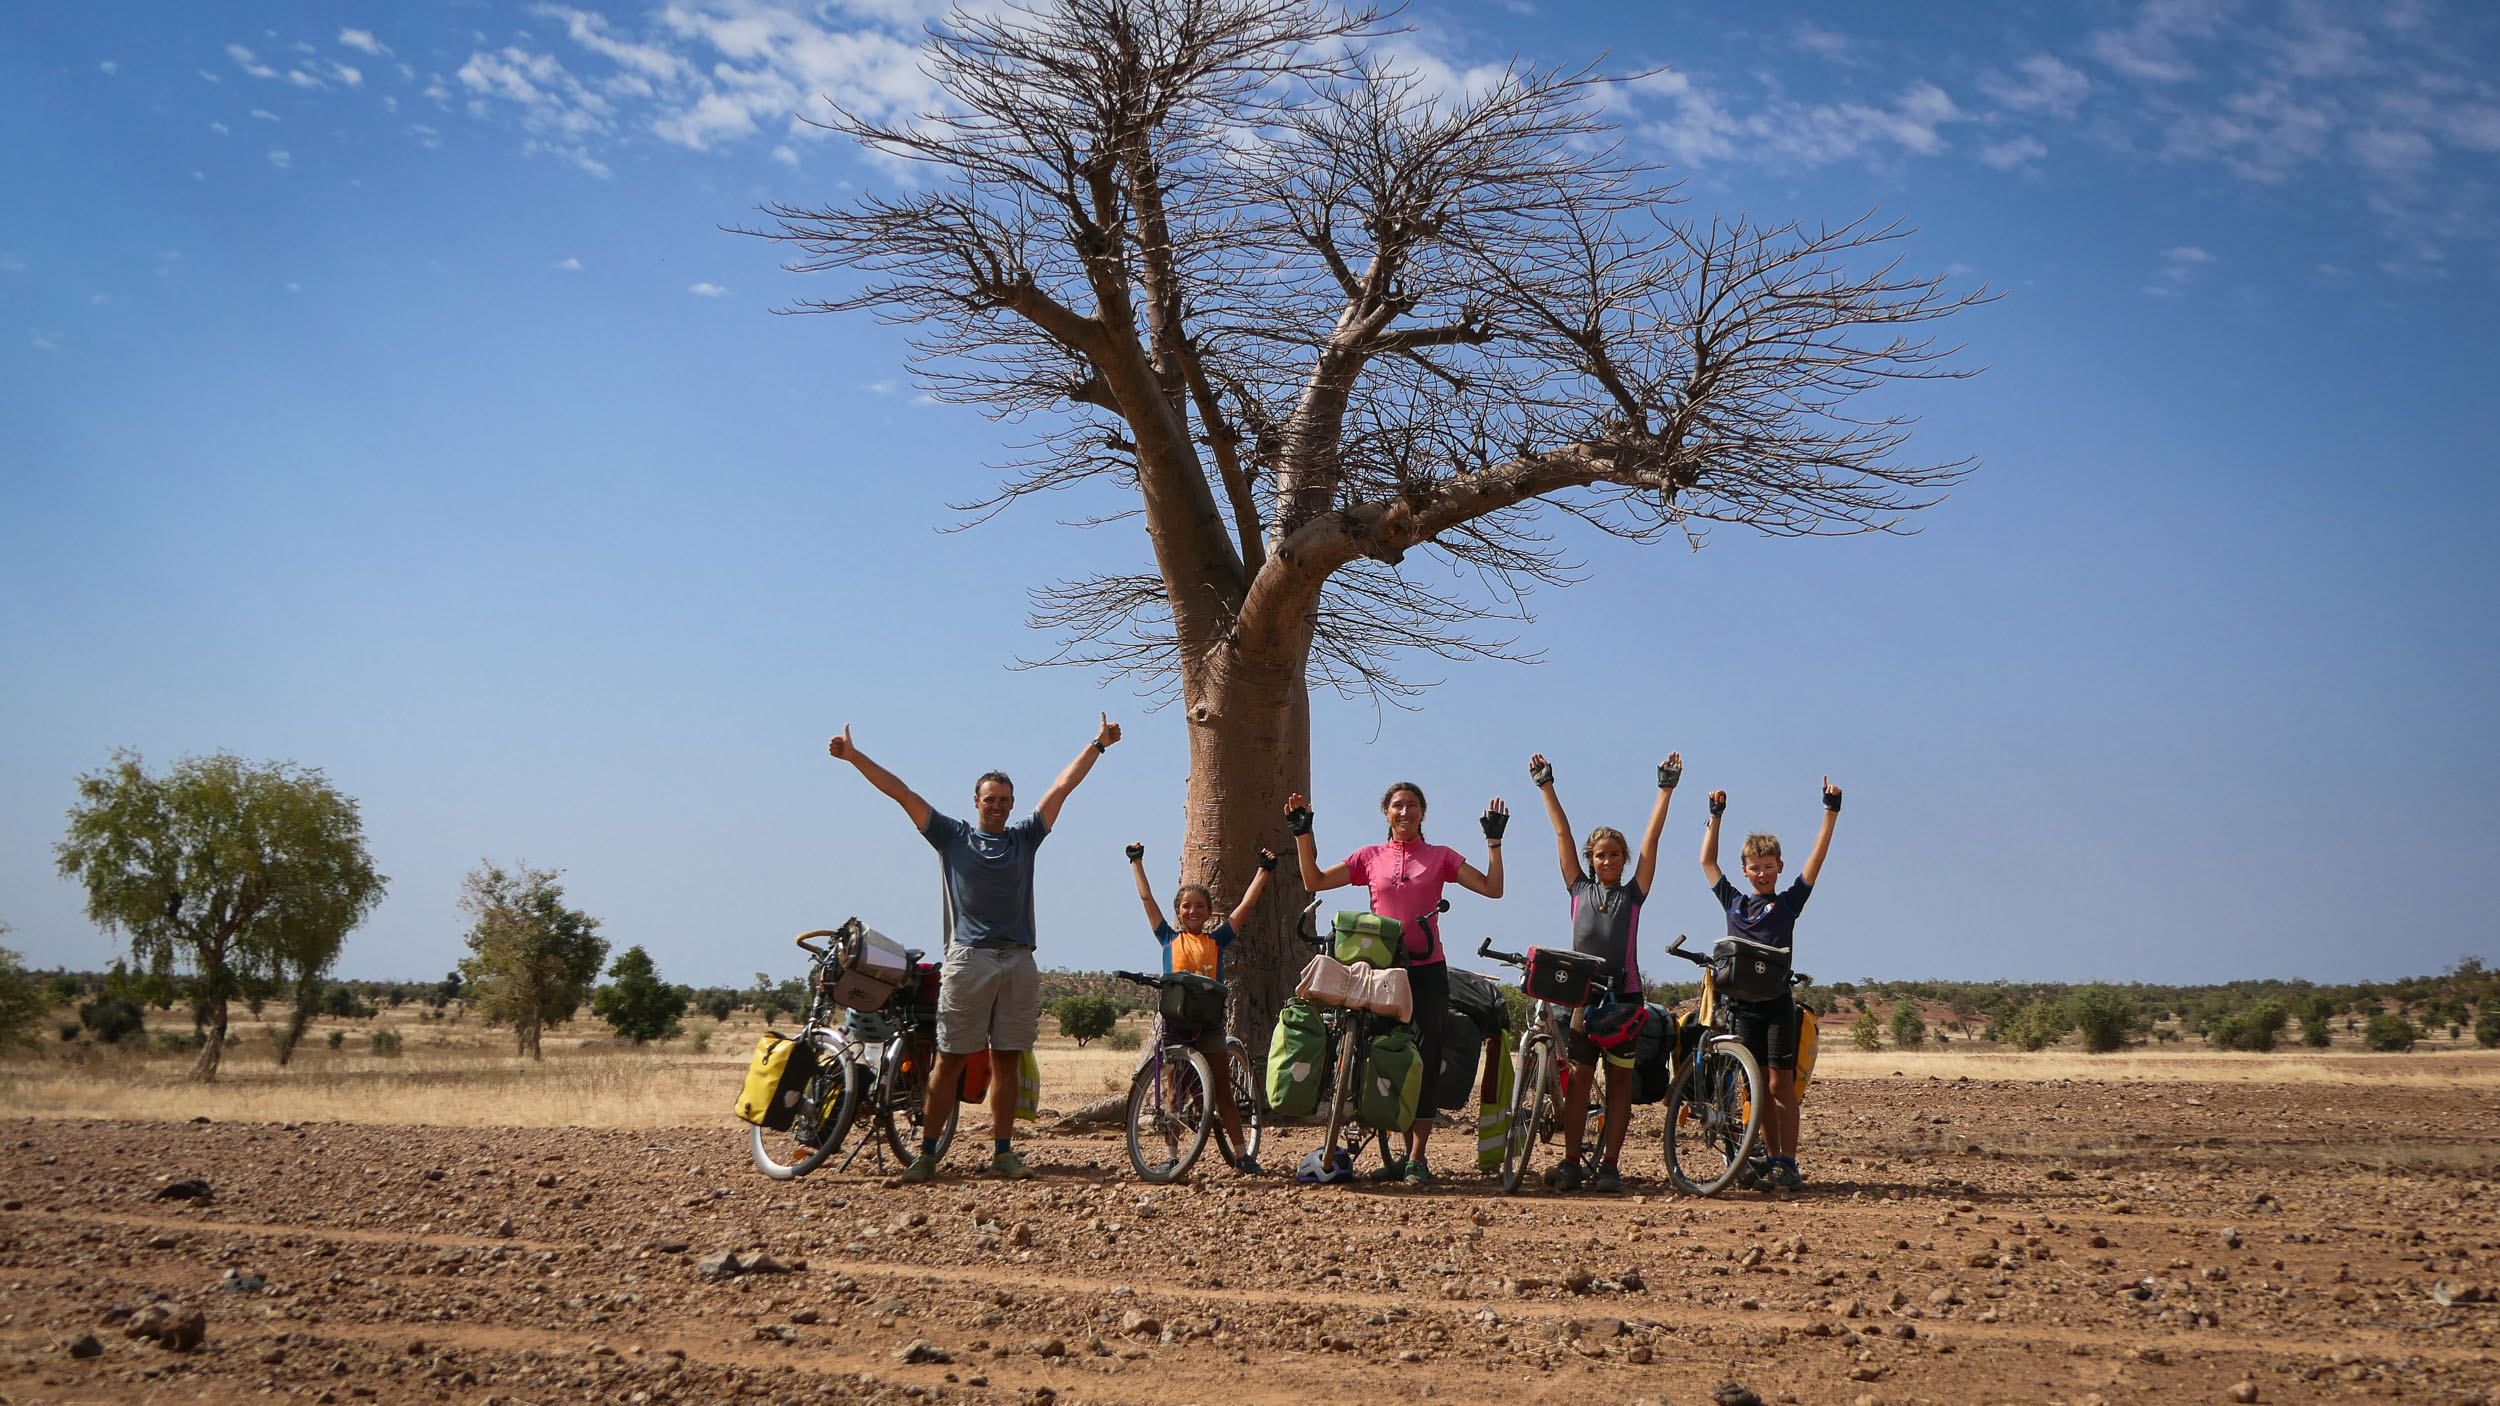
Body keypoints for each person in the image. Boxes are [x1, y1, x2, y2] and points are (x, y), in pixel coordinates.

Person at [827, 714, 1123, 1183]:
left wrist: (1098, 744)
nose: (999, 807)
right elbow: (901, 792)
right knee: (950, 1058)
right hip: (969, 958)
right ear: (977, 802)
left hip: (1019, 959)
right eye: (992, 800)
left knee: (1007, 1057)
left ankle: (1002, 1152)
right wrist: (853, 755)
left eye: (1006, 800)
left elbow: (1062, 787)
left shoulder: (1026, 837)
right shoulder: (951, 837)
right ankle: (925, 1154)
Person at [1286, 781, 1506, 1186]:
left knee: (1424, 1056)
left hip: (1426, 970)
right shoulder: (1369, 857)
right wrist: (1303, 833)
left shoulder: (1440, 857)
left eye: (1412, 806)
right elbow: (1314, 881)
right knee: (1384, 1058)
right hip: (1382, 970)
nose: (1404, 813)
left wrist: (1493, 842)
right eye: (1397, 806)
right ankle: (1394, 1153)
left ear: (1423, 813)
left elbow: (1493, 890)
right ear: (1385, 813)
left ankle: (1417, 1158)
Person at [1527, 750, 1680, 1193]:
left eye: (1615, 855)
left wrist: (1665, 790)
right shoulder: (1577, 888)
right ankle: (1573, 1162)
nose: (1607, 861)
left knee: (1618, 1084)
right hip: (1583, 1000)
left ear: (1624, 859)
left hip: (1626, 1000)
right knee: (1577, 1081)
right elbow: (1562, 830)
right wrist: (1545, 784)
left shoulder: (1634, 895)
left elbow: (1652, 841)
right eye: (1599, 855)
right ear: (1589, 859)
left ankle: (1610, 1166)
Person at [1699, 776, 1841, 1192]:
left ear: (1779, 867)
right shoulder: (1735, 903)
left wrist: (1830, 814)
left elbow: (1817, 860)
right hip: (1743, 1008)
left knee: (1781, 1085)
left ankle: (1787, 1162)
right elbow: (1708, 862)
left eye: (1768, 866)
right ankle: (1767, 1156)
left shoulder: (1788, 903)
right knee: (1755, 1085)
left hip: (1778, 1005)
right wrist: (1715, 817)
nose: (1761, 873)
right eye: (1754, 867)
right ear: (1745, 871)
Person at [1124, 841, 1277, 1173]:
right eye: (1186, 907)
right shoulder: (1168, 939)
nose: (1193, 912)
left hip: (1209, 1025)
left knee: (1222, 1089)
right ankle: (1171, 1154)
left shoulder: (1217, 941)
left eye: (1200, 907)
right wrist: (1136, 862)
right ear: (1178, 912)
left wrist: (1263, 871)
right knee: (1170, 1093)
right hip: (1175, 1023)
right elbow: (1147, 899)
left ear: (1209, 912)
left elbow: (1245, 907)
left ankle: (1241, 1154)